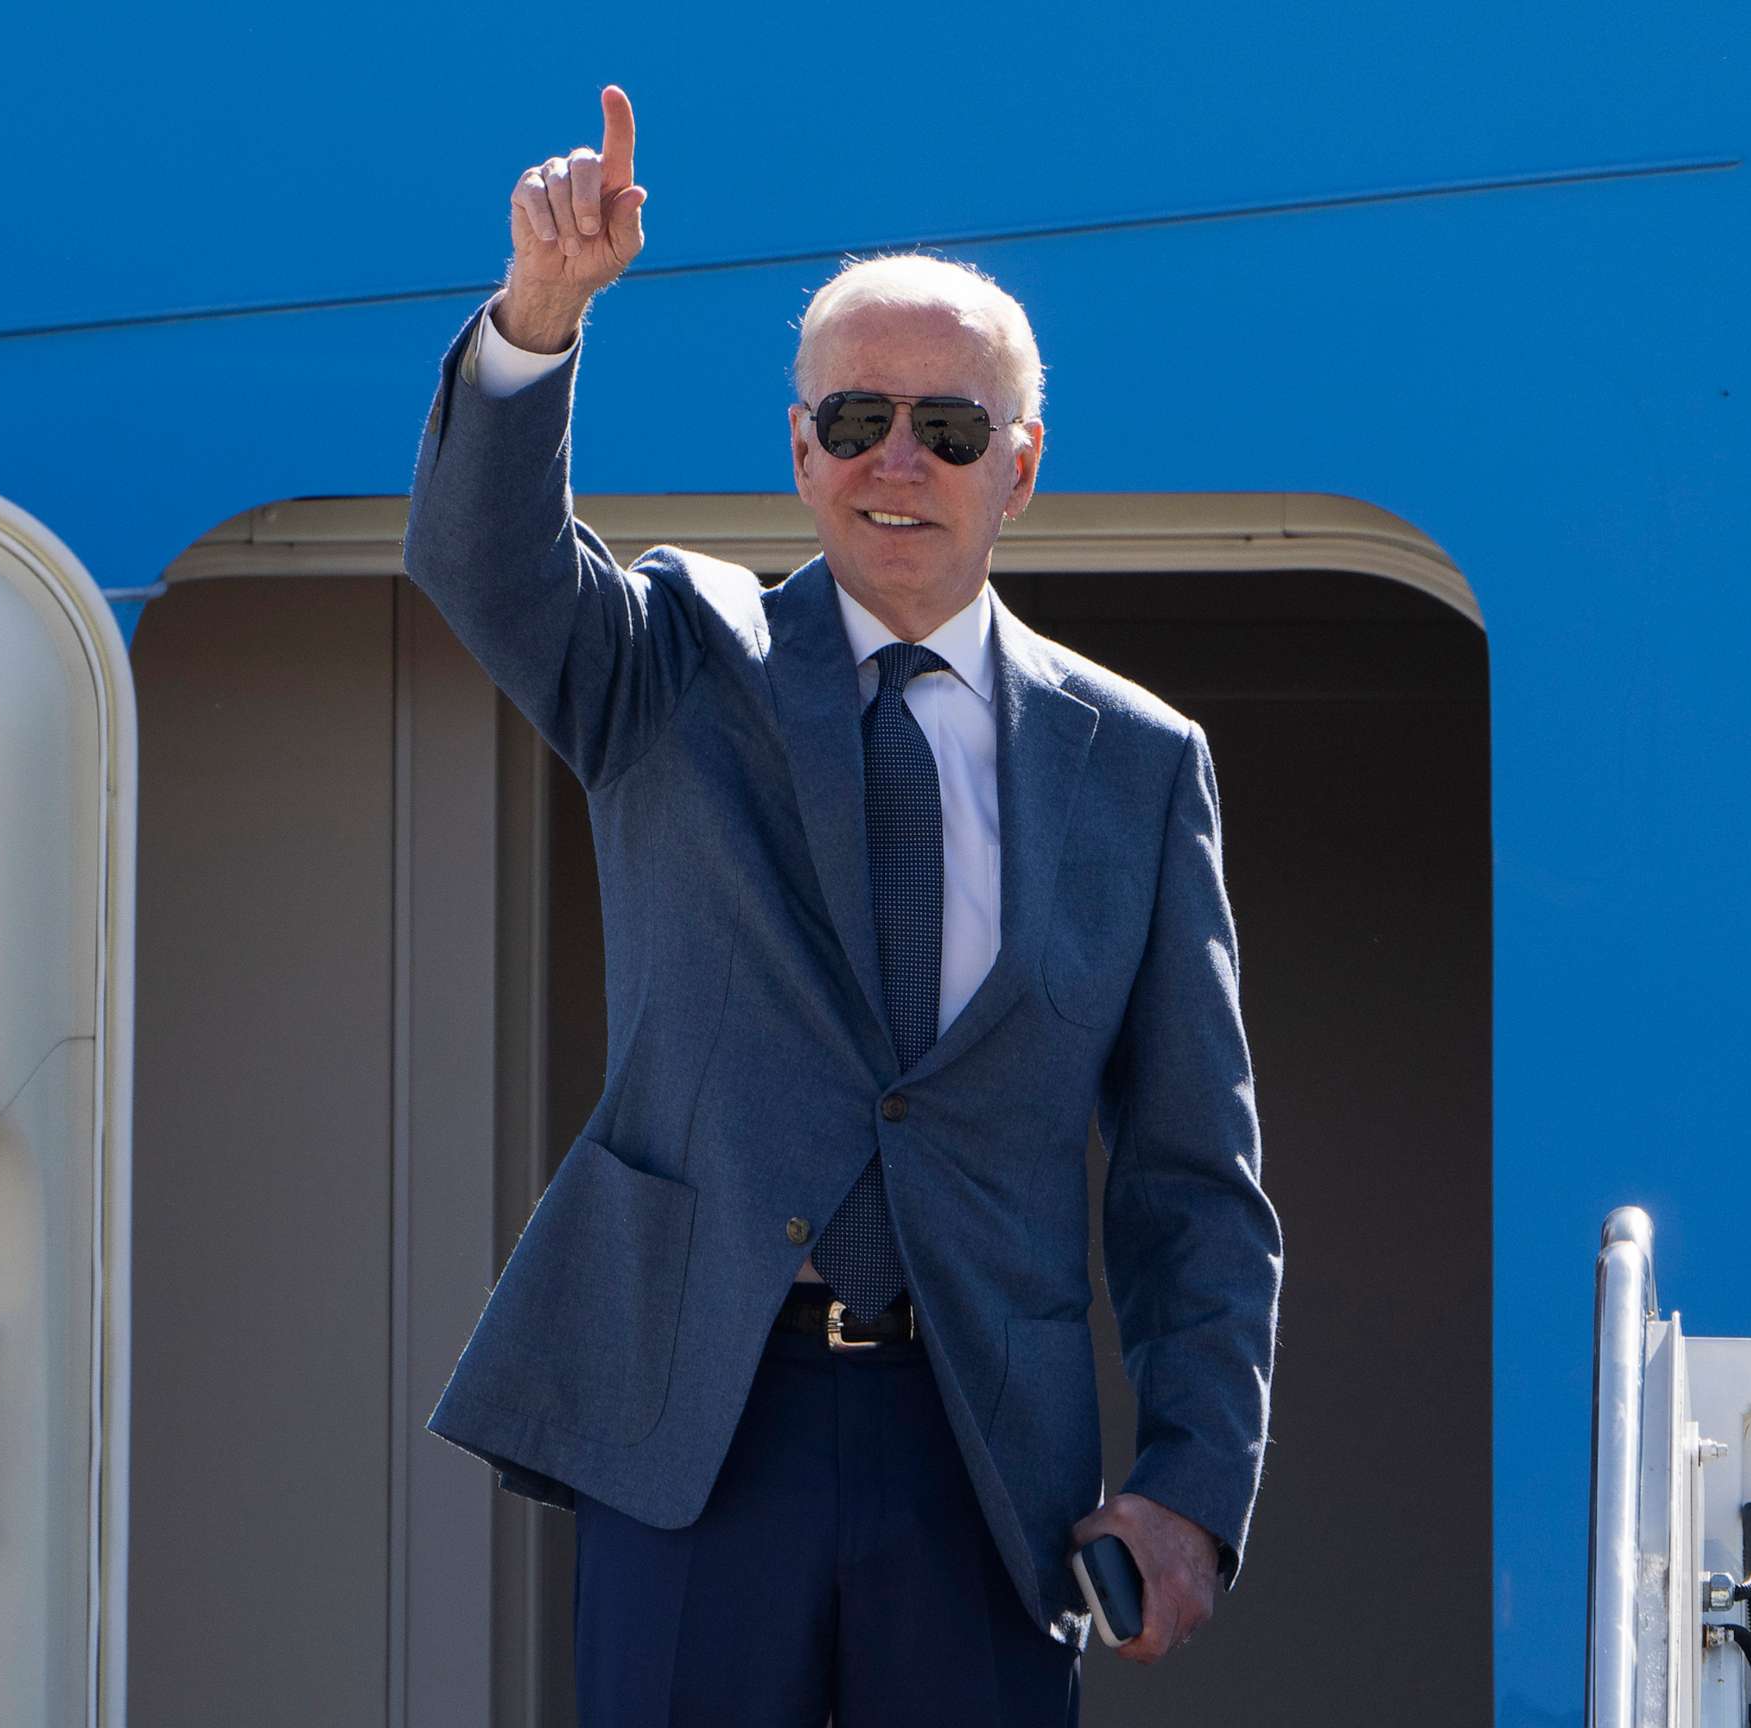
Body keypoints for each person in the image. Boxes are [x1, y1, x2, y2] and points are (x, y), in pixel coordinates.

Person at [404, 84, 1281, 1726]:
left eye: (947, 430)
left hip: (983, 1460)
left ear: (1018, 464)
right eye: (857, 418)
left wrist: (1192, 1482)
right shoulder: (671, 659)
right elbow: (483, 560)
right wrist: (542, 316)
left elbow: (1192, 1179)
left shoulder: (1139, 766)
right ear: (797, 446)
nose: (900, 461)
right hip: (697, 1423)